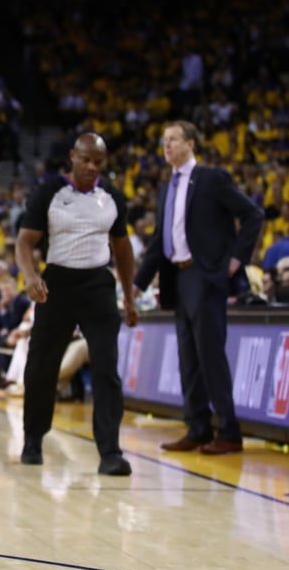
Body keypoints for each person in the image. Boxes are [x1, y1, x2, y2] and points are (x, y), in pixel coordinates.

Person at [133, 120, 263, 455]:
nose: (167, 146)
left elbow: (253, 216)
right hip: (177, 278)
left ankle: (230, 432)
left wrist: (235, 261)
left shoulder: (211, 178)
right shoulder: (167, 187)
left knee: (210, 356)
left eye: (173, 139)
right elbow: (158, 244)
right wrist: (137, 284)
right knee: (188, 358)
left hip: (205, 277)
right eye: (164, 140)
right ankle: (199, 427)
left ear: (191, 144)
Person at [15, 133, 139, 475]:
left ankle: (110, 451)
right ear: (73, 156)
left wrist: (128, 298)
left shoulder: (112, 196)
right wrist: (30, 275)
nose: (91, 166)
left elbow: (123, 250)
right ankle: (33, 439)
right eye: (85, 159)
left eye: (98, 161)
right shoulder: (50, 192)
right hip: (57, 284)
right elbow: (25, 242)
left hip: (98, 284)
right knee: (42, 365)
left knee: (106, 368)